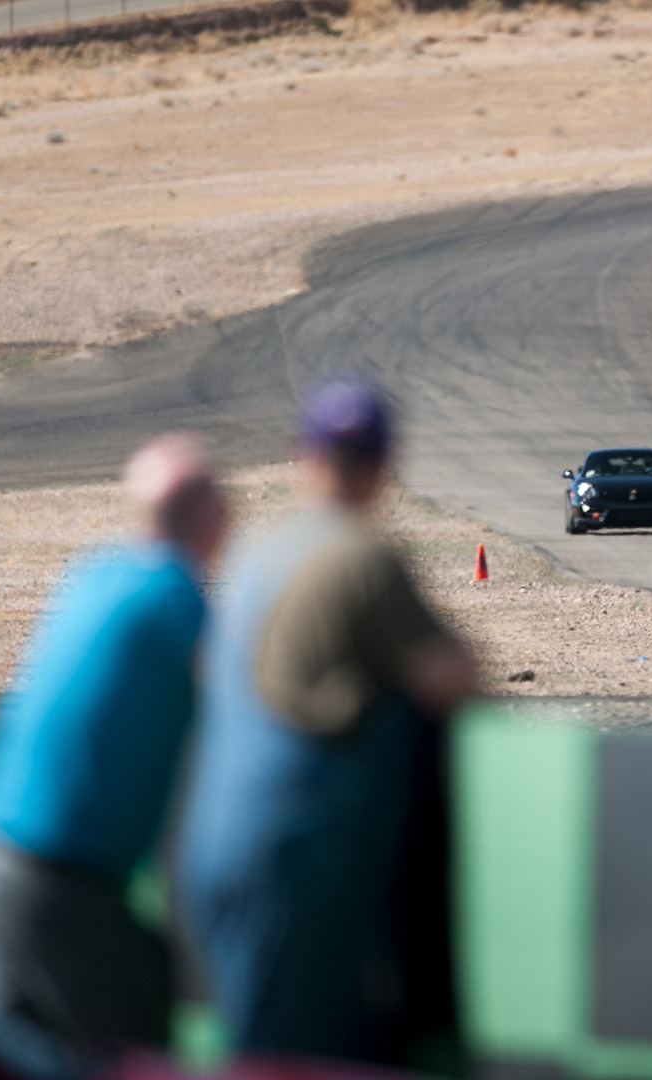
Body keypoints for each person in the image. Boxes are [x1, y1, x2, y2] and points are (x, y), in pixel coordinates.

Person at [178, 380, 479, 1065]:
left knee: (261, 1044)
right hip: (296, 856)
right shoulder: (360, 557)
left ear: (303, 457)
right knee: (291, 1059)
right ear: (383, 465)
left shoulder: (257, 550)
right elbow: (450, 677)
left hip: (217, 845)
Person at [0, 433, 229, 1048]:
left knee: (10, 1050)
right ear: (212, 518)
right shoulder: (172, 596)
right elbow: (244, 696)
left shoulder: (94, 574)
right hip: (58, 881)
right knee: (132, 1036)